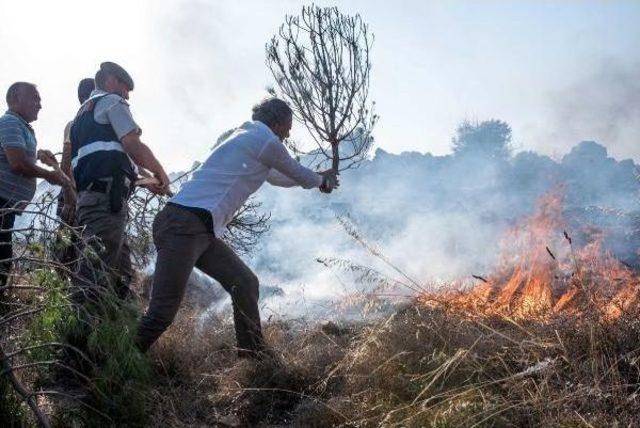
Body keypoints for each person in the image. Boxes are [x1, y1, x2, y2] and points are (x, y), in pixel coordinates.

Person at [136, 97, 339, 357]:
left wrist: (316, 177)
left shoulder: (246, 136)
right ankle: (115, 368)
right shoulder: (265, 140)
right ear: (277, 123)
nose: (289, 133)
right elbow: (298, 173)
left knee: (244, 282)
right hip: (185, 226)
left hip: (197, 228)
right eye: (288, 127)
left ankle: (253, 358)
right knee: (161, 313)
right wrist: (322, 181)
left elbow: (279, 177)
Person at [70, 62, 169, 300]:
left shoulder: (81, 116)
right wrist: (161, 174)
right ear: (111, 81)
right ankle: (76, 334)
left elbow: (106, 163)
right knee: (94, 274)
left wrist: (146, 180)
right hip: (105, 202)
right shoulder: (112, 101)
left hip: (95, 199)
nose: (127, 96)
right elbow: (132, 145)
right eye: (125, 88)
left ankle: (115, 328)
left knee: (121, 274)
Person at [0, 82, 71, 291]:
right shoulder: (10, 122)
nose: (39, 105)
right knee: (2, 260)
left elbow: (22, 158)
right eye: (34, 98)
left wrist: (42, 160)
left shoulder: (21, 127)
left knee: (4, 258)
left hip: (7, 206)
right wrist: (49, 175)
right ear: (14, 97)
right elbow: (18, 163)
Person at [57, 77, 94, 224]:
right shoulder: (74, 125)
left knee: (89, 242)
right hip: (74, 193)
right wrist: (68, 198)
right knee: (66, 242)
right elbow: (66, 164)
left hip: (93, 195)